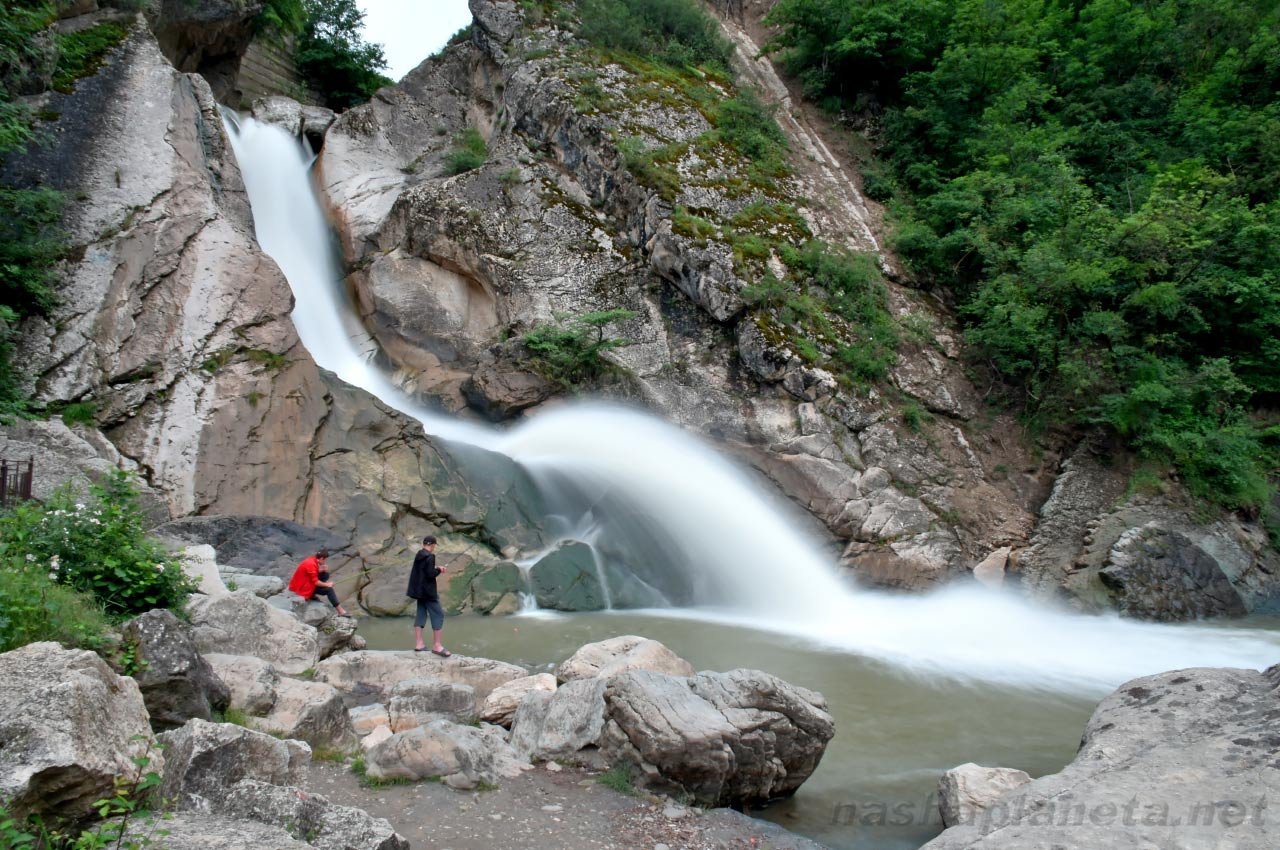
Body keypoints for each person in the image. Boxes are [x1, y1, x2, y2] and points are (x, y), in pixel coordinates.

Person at [407, 535, 449, 656]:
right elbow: (430, 574)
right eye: (435, 545)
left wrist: (436, 567)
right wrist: (439, 570)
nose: (435, 547)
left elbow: (424, 569)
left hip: (419, 592)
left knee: (421, 614)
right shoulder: (430, 556)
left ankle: (419, 644)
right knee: (438, 615)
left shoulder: (419, 554)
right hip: (428, 592)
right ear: (432, 544)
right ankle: (437, 646)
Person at [288, 548, 350, 616]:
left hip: (304, 583)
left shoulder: (312, 559)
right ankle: (340, 611)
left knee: (325, 574)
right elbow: (315, 582)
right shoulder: (311, 564)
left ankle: (312, 594)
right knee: (329, 590)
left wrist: (322, 570)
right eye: (325, 560)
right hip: (301, 588)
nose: (325, 562)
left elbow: (311, 575)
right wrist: (327, 585)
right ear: (321, 558)